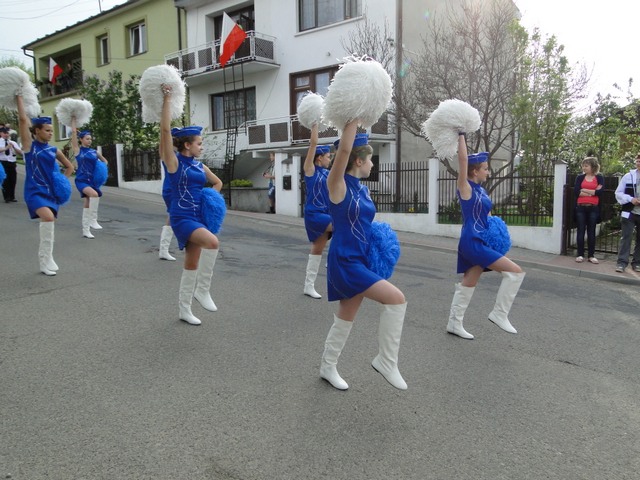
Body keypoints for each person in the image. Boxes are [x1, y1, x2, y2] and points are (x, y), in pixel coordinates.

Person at [319, 120, 407, 391]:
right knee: (396, 299)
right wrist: (353, 119)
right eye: (370, 159)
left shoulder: (362, 188)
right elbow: (343, 151)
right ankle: (386, 361)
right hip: (345, 259)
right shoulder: (338, 184)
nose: (372, 164)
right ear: (358, 160)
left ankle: (327, 366)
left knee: (346, 313)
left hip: (360, 257)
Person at [446, 132, 525, 339]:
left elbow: (487, 216)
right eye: (485, 168)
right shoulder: (465, 188)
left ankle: (454, 323)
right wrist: (461, 135)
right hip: (472, 241)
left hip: (481, 240)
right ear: (475, 170)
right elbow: (462, 160)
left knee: (469, 280)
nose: (488, 172)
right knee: (515, 272)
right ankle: (499, 314)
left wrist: (496, 237)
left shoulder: (481, 191)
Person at [160, 86, 224, 325]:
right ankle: (202, 290)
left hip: (198, 216)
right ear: (187, 145)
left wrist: (209, 200)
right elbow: (165, 131)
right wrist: (167, 99)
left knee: (191, 263)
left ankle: (184, 310)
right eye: (199, 143)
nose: (202, 146)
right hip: (181, 217)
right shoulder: (175, 163)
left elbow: (217, 183)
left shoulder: (199, 166)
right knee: (213, 242)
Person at [16, 97, 75, 276]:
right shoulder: (29, 147)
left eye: (51, 131)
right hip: (34, 192)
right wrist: (19, 96)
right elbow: (23, 120)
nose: (50, 133)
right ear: (37, 131)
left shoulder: (53, 150)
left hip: (50, 193)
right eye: (47, 130)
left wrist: (61, 182)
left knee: (50, 221)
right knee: (48, 218)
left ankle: (48, 258)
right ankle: (44, 260)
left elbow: (70, 167)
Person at [302, 123, 333, 299]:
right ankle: (334, 260)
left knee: (317, 248)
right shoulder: (311, 171)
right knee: (341, 226)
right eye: (328, 157)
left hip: (327, 213)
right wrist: (314, 125)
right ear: (319, 158)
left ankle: (309, 285)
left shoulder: (328, 173)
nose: (330, 159)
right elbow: (313, 144)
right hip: (314, 214)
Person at [70, 119, 109, 239]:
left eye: (90, 139)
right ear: (81, 139)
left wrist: (100, 169)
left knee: (88, 202)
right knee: (94, 195)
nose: (89, 140)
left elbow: (105, 161)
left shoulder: (94, 152)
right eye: (87, 138)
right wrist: (73, 121)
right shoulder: (78, 151)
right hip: (81, 180)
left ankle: (86, 230)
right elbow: (73, 135)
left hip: (91, 180)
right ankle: (93, 220)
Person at [573, 157, 603, 264]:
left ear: (593, 166)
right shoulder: (580, 177)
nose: (584, 168)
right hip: (581, 207)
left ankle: (591, 255)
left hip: (593, 208)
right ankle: (580, 254)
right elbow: (576, 191)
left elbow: (599, 192)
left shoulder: (599, 178)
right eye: (583, 166)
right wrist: (592, 192)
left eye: (586, 166)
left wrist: (584, 190)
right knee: (580, 231)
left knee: (591, 232)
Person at [614, 154, 640, 273]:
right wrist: (631, 199)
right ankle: (621, 263)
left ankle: (637, 263)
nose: (638, 163)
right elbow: (618, 193)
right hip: (629, 212)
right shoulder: (628, 176)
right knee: (626, 237)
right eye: (637, 161)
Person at [158, 160, 177, 261]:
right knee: (175, 216)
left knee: (172, 216)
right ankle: (163, 250)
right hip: (173, 189)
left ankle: (164, 250)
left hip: (171, 188)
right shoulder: (172, 156)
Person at [0, 125, 23, 203]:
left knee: (13, 180)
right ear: (1, 133)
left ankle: (12, 196)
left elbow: (20, 153)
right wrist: (6, 148)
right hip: (3, 162)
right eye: (4, 133)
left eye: (7, 133)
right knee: (5, 180)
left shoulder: (13, 142)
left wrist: (14, 148)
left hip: (12, 162)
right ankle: (6, 197)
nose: (6, 134)